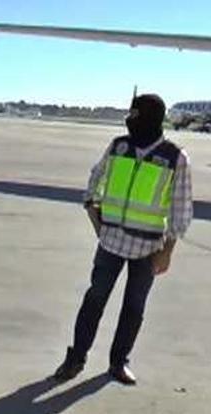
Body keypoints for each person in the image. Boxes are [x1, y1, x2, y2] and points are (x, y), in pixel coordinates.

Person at [54, 94, 193, 385]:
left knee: (134, 307)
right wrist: (96, 220)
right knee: (94, 299)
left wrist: (167, 250)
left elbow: (180, 208)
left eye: (135, 115)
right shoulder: (119, 146)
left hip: (148, 247)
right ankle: (76, 357)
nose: (129, 121)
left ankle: (118, 363)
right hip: (110, 243)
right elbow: (95, 180)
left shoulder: (174, 158)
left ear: (150, 118)